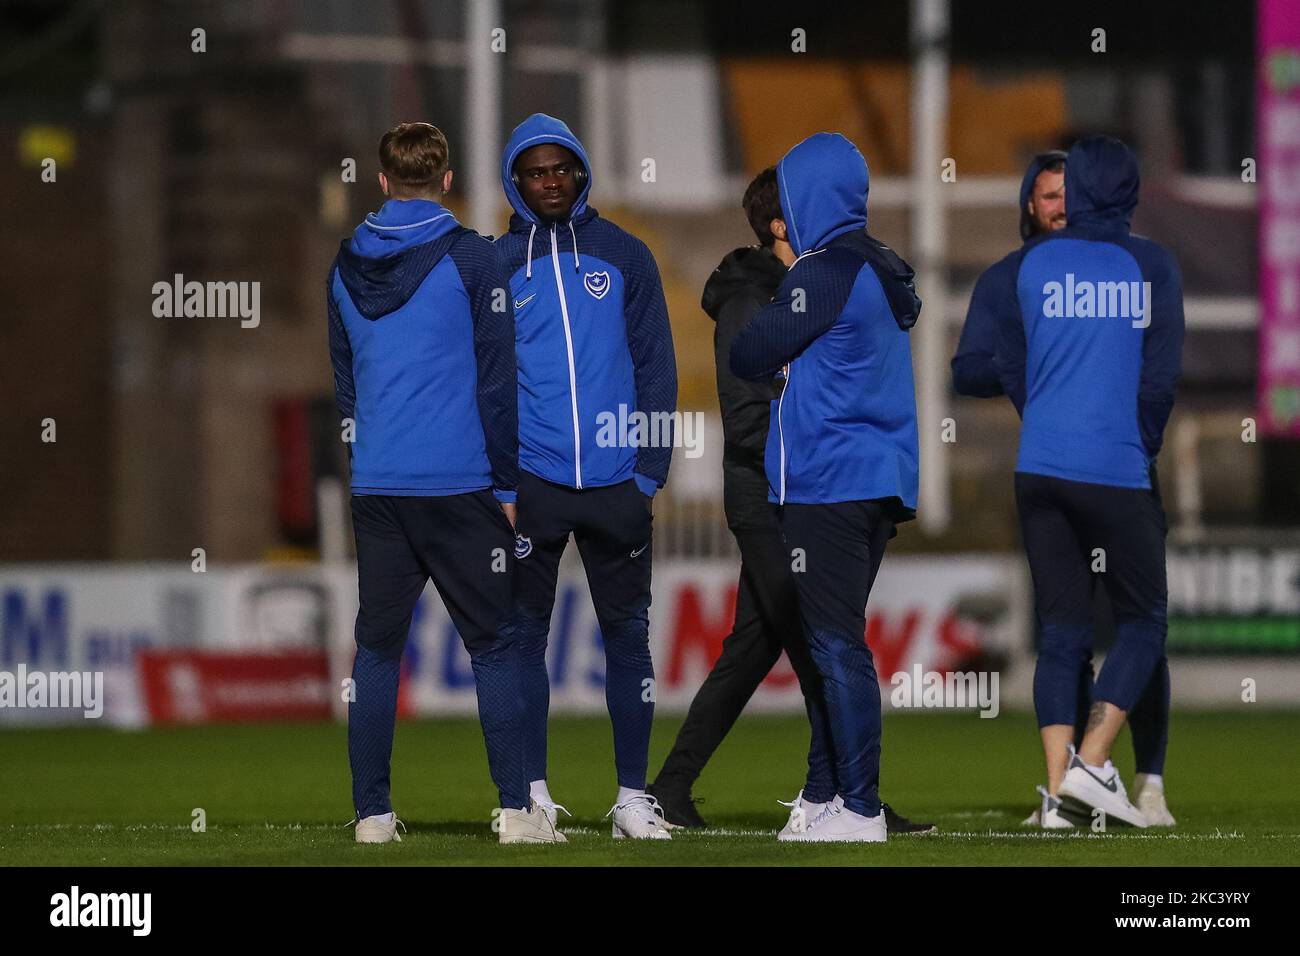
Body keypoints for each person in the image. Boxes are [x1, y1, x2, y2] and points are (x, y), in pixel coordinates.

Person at [648, 167, 933, 837]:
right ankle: (841, 794)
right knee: (817, 643)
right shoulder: (761, 299)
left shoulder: (816, 287)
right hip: (766, 483)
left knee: (761, 643)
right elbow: (748, 411)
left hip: (795, 479)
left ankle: (692, 788)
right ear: (783, 225)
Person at [327, 122, 560, 845]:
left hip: (379, 486)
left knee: (375, 652)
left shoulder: (342, 264)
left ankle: (371, 816)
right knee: (495, 644)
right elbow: (498, 381)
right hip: (461, 485)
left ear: (383, 180)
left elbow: (346, 384)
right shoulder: (472, 259)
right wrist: (508, 483)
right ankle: (519, 812)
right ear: (448, 181)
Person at [953, 149, 1176, 829]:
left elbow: (1007, 364)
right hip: (1114, 466)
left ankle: (1063, 798)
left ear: (1073, 194)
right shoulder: (1150, 265)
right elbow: (1160, 377)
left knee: (1062, 632)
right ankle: (1093, 768)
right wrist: (1134, 446)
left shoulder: (1030, 269)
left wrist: (1047, 418)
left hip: (1041, 467)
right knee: (1143, 621)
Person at [731, 133, 921, 842]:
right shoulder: (876, 264)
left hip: (829, 481)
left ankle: (862, 807)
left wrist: (781, 365)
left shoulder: (823, 270)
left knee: (835, 645)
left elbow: (754, 349)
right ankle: (822, 797)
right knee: (827, 641)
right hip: (876, 479)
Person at [494, 114, 678, 839]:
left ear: (581, 172)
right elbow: (487, 379)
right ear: (516, 180)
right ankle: (534, 796)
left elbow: (657, 367)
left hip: (616, 487)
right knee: (524, 640)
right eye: (536, 171)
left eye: (562, 168)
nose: (551, 181)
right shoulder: (496, 265)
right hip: (533, 486)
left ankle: (633, 797)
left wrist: (649, 473)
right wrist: (502, 486)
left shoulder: (626, 254)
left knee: (628, 640)